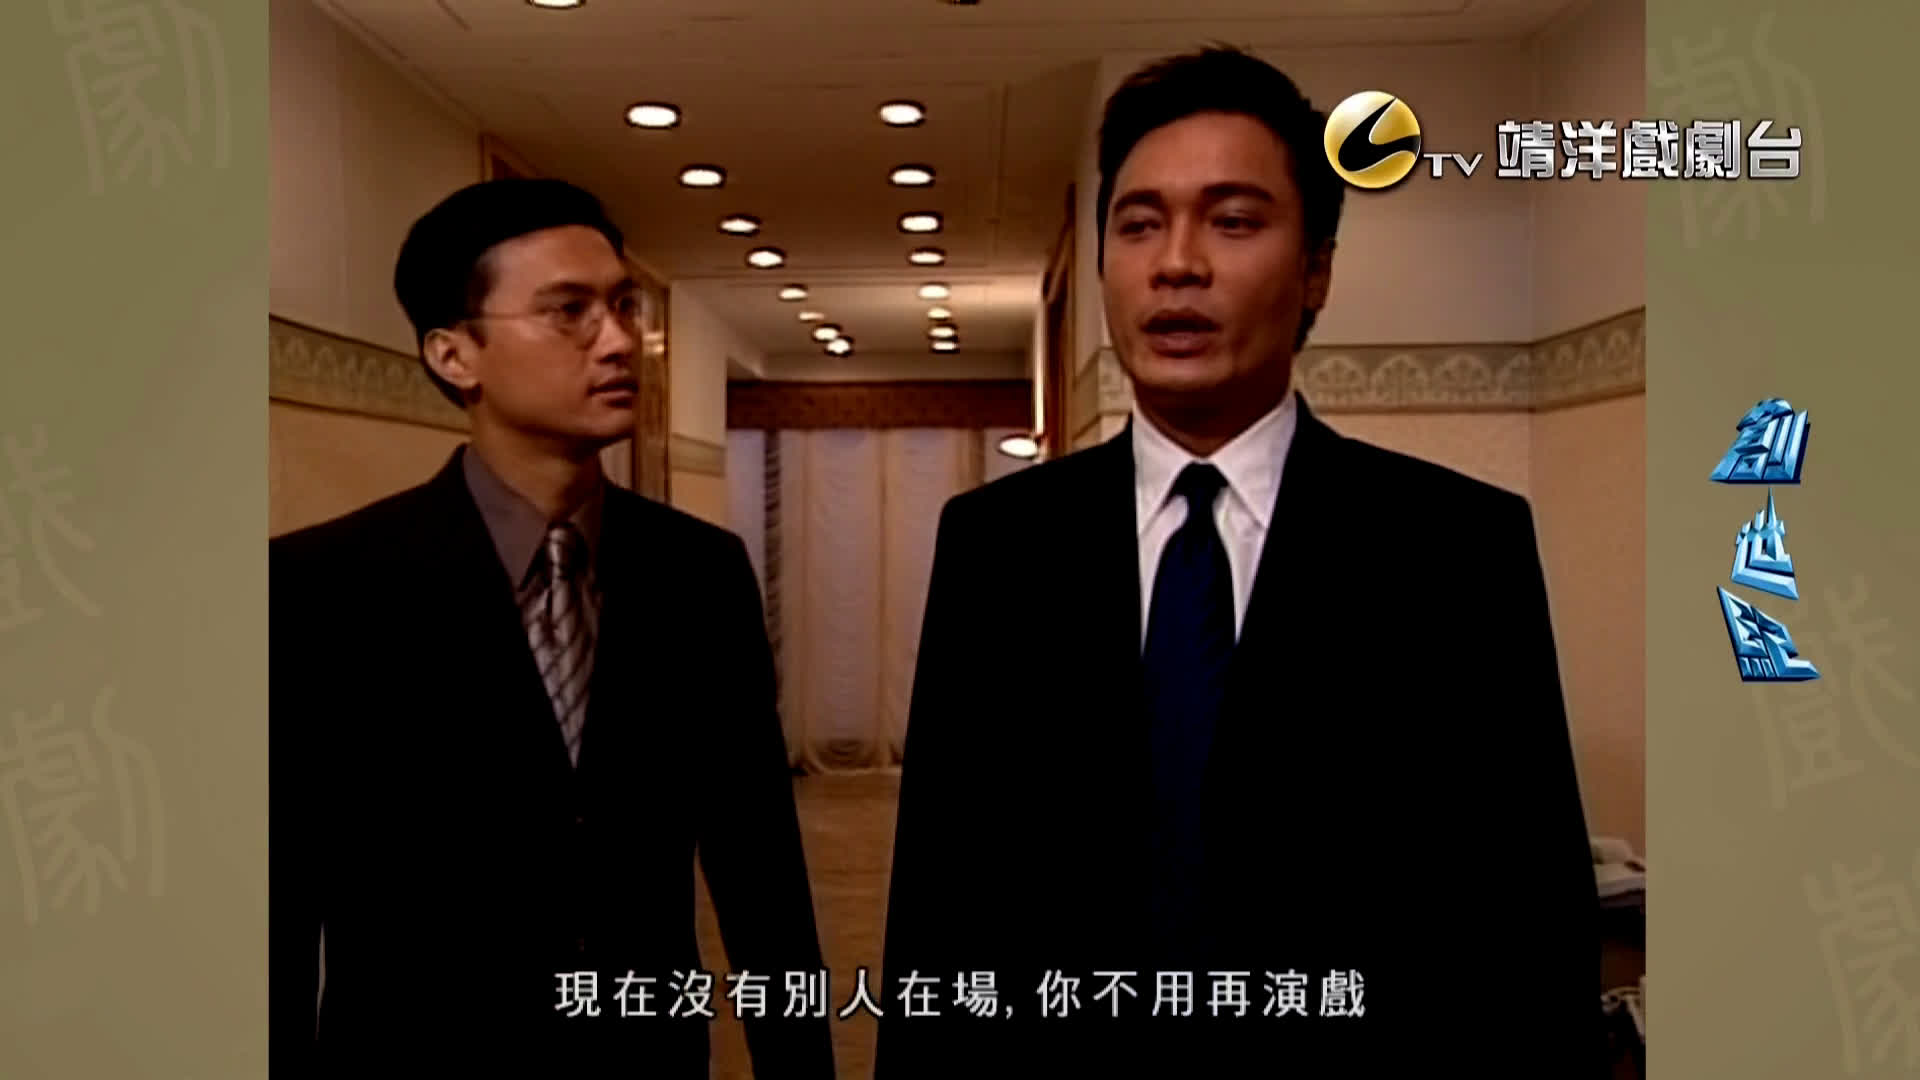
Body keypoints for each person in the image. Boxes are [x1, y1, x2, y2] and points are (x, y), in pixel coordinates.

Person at [877, 46, 1602, 1075]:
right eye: (1139, 224)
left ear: (1317, 271)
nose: (1177, 263)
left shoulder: (1457, 549)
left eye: (1232, 221)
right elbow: (940, 907)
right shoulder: (996, 547)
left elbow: (1530, 924)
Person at [270, 178, 834, 1077]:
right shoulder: (321, 586)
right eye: (568, 311)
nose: (619, 341)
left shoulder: (701, 573)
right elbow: (281, 906)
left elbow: (761, 873)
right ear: (455, 354)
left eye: (623, 306)